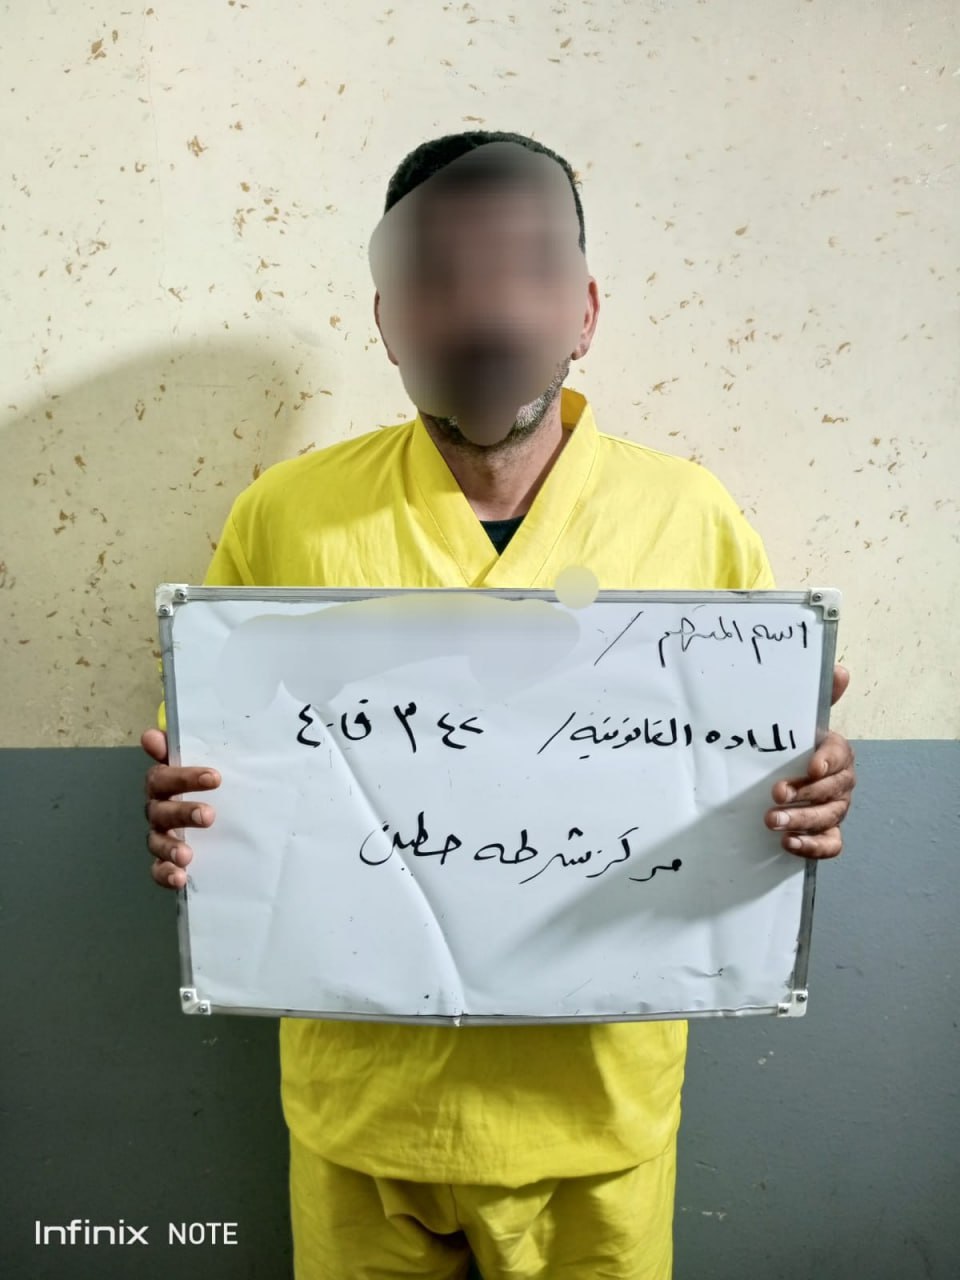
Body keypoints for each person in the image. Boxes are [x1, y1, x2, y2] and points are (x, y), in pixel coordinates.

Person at [141, 130, 857, 1280]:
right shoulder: (288, 516)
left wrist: (809, 790)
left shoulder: (690, 516)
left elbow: (762, 763)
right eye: (438, 276)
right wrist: (186, 809)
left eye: (528, 268)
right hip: (364, 1109)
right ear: (389, 320)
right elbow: (216, 770)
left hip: (598, 1114)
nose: (485, 310)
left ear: (585, 309)